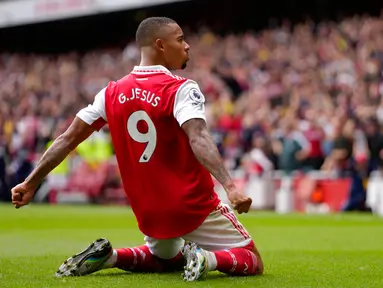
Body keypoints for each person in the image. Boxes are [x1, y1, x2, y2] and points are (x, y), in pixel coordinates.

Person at [11, 17, 264, 281]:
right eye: (180, 39)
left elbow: (66, 139)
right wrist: (230, 187)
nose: (187, 46)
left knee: (165, 258)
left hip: (148, 211)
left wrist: (30, 183)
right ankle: (207, 257)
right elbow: (198, 136)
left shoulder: (109, 93)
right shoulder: (180, 89)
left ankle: (111, 257)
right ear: (160, 45)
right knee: (253, 260)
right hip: (192, 205)